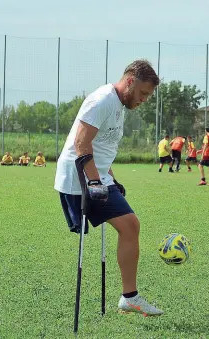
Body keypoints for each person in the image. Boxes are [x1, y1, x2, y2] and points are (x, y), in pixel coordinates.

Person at [54, 59, 164, 316]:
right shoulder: (102, 100)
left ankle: (129, 297)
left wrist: (110, 177)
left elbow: (103, 147)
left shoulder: (119, 105)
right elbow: (82, 143)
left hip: (99, 176)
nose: (144, 100)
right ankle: (130, 296)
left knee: (131, 225)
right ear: (129, 82)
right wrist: (94, 181)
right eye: (143, 93)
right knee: (130, 225)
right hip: (78, 179)